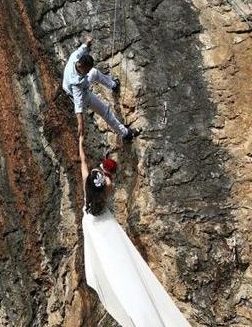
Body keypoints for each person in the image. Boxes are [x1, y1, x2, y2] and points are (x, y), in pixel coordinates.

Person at [79, 135, 191, 327]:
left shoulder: (89, 193)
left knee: (111, 266)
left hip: (93, 226)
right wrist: (105, 173)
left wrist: (81, 145)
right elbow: (102, 179)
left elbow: (84, 166)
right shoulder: (107, 189)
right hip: (106, 227)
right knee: (124, 264)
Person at [62, 37, 140, 140]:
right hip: (81, 94)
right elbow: (78, 105)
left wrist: (87, 42)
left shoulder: (75, 58)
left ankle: (113, 85)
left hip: (76, 84)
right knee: (105, 111)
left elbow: (82, 49)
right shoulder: (76, 83)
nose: (87, 72)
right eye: (87, 70)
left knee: (94, 72)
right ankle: (126, 134)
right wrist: (80, 123)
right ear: (81, 66)